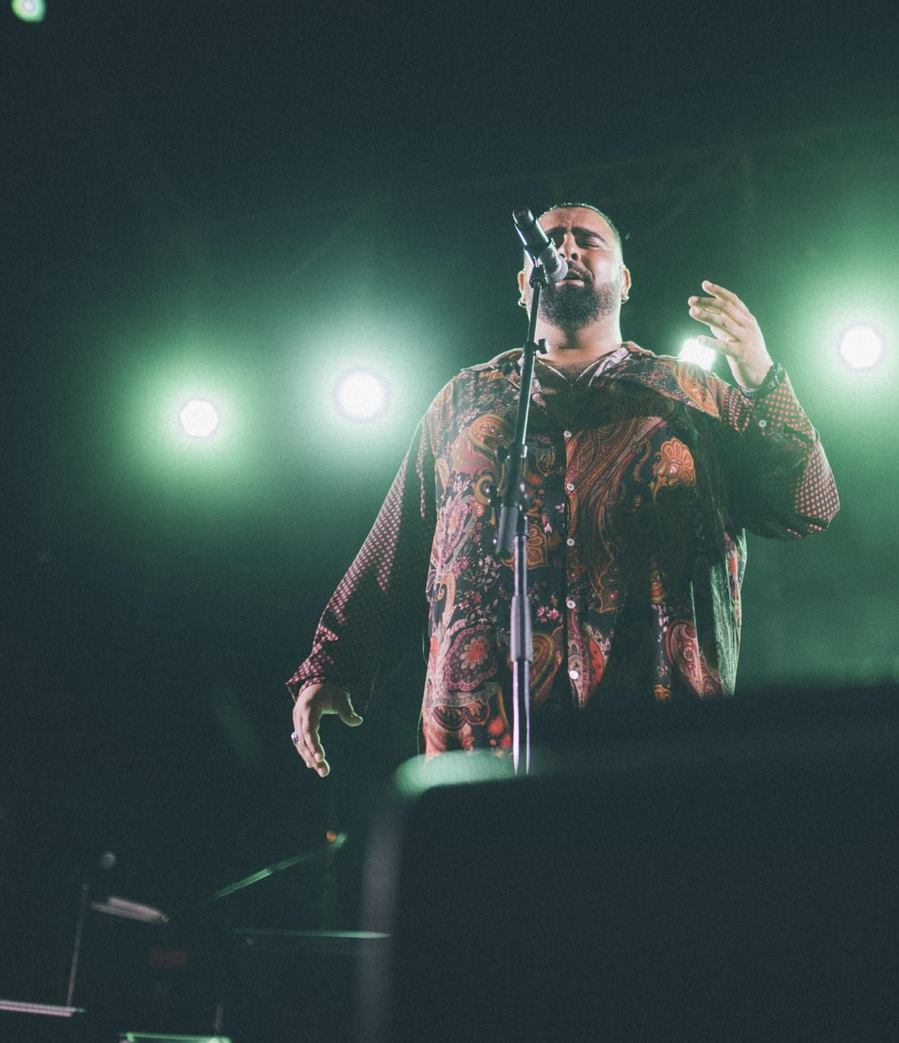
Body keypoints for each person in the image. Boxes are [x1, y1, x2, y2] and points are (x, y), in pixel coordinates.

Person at [287, 204, 838, 774]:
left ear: (623, 282)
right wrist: (334, 665)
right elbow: (397, 551)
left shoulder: (693, 396)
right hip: (486, 748)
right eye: (551, 240)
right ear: (525, 283)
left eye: (588, 240)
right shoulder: (461, 404)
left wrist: (760, 376)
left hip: (661, 742)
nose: (568, 250)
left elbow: (809, 505)